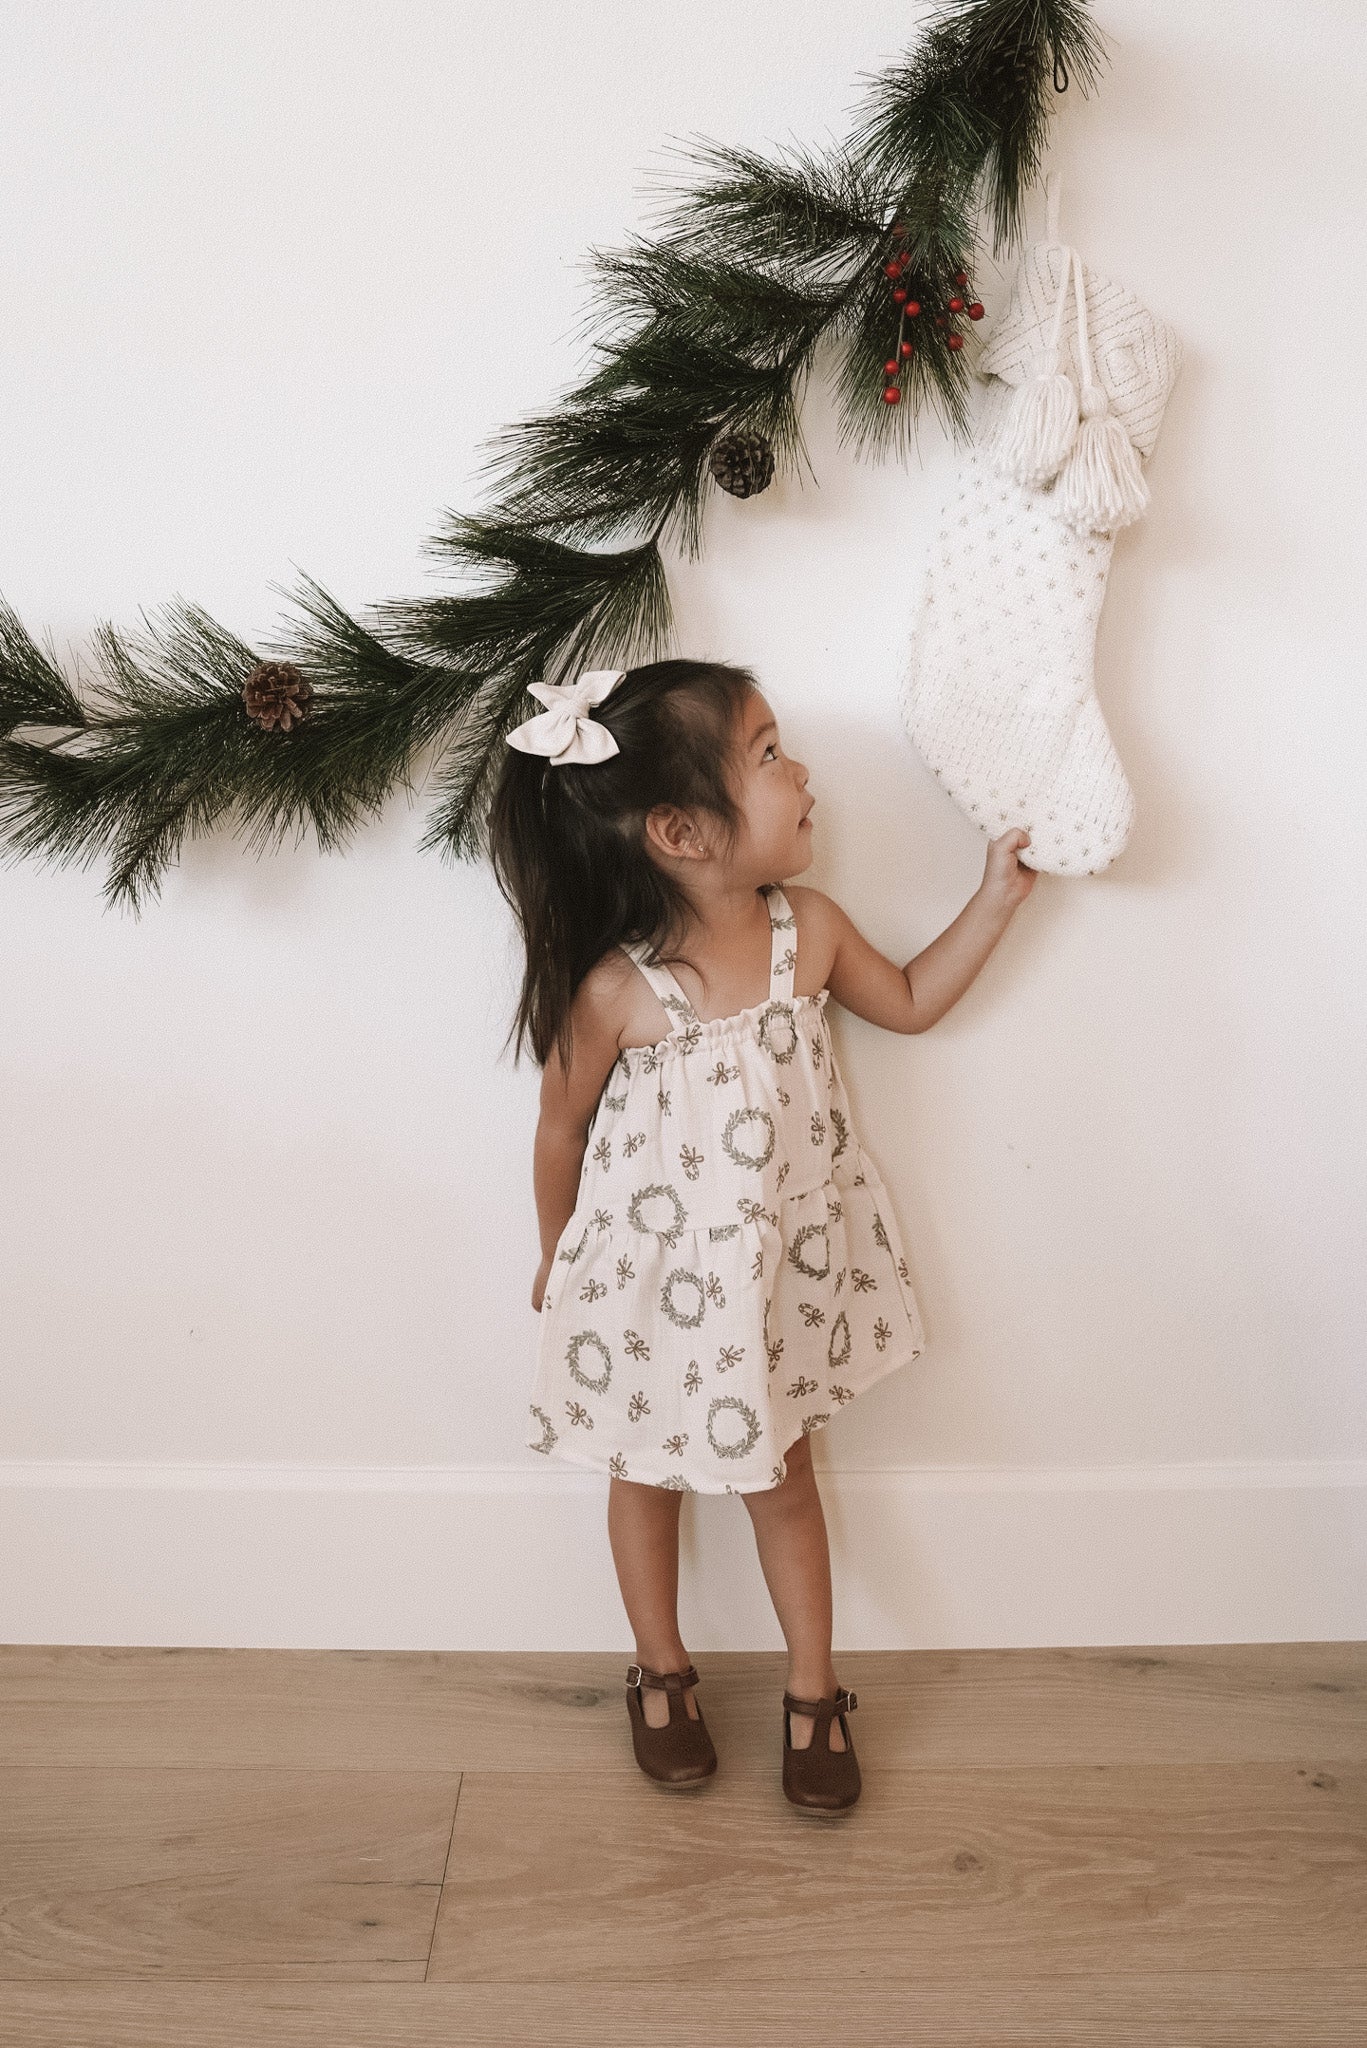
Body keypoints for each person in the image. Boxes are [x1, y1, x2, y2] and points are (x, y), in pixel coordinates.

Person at [488, 658, 1035, 1812]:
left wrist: (991, 896)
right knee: (643, 1476)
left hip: (769, 1293)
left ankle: (811, 1689)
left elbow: (913, 999)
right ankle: (662, 1671)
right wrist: (554, 1254)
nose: (801, 773)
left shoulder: (811, 934)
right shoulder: (617, 992)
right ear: (682, 829)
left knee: (783, 1476)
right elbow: (557, 1129)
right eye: (769, 753)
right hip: (648, 1294)